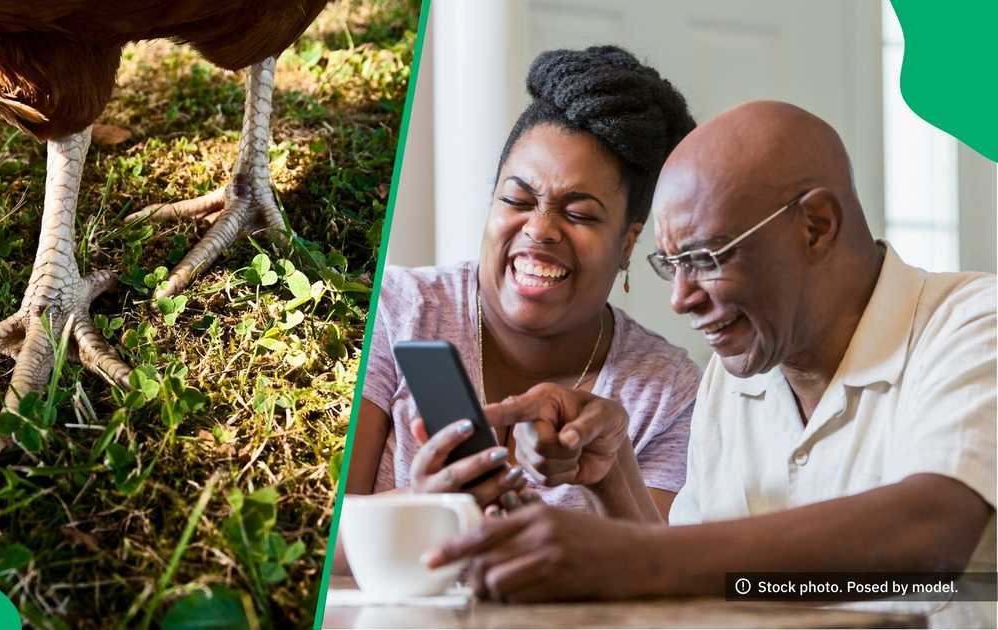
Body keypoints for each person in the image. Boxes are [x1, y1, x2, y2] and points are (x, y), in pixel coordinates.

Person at [424, 101, 995, 628]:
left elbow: (932, 533)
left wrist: (620, 557)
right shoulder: (737, 377)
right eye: (669, 264)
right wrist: (614, 477)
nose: (680, 298)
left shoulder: (973, 323)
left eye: (705, 258)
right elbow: (710, 591)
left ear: (816, 226)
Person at [344, 45, 699, 525]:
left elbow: (656, 573)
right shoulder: (397, 311)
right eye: (517, 199)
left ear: (627, 244)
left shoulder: (667, 392)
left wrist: (609, 475)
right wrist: (424, 512)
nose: (540, 229)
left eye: (579, 214)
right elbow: (330, 530)